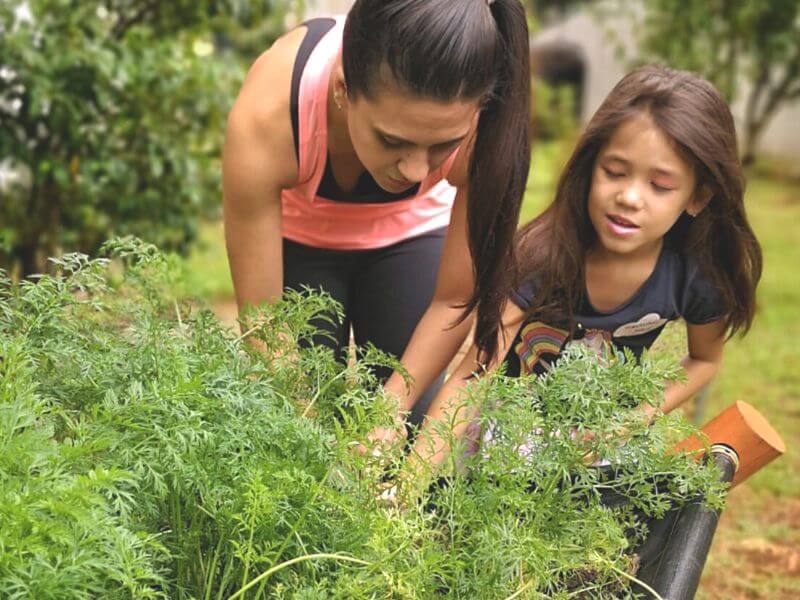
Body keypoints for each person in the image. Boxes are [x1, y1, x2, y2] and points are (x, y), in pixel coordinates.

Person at [397, 65, 763, 475]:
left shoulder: (697, 277)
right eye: (615, 172)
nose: (628, 196)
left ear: (698, 196)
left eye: (660, 186)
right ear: (590, 167)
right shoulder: (539, 258)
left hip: (600, 443)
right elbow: (474, 375)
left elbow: (705, 360)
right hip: (505, 439)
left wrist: (632, 420)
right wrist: (409, 482)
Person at [222, 0, 531, 428]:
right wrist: (302, 429)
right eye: (392, 140)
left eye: (442, 145)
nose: (417, 170)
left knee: (408, 424)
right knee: (297, 415)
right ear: (343, 90)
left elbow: (454, 298)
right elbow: (262, 325)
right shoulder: (269, 113)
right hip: (300, 237)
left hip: (412, 232)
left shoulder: (485, 127)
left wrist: (386, 419)